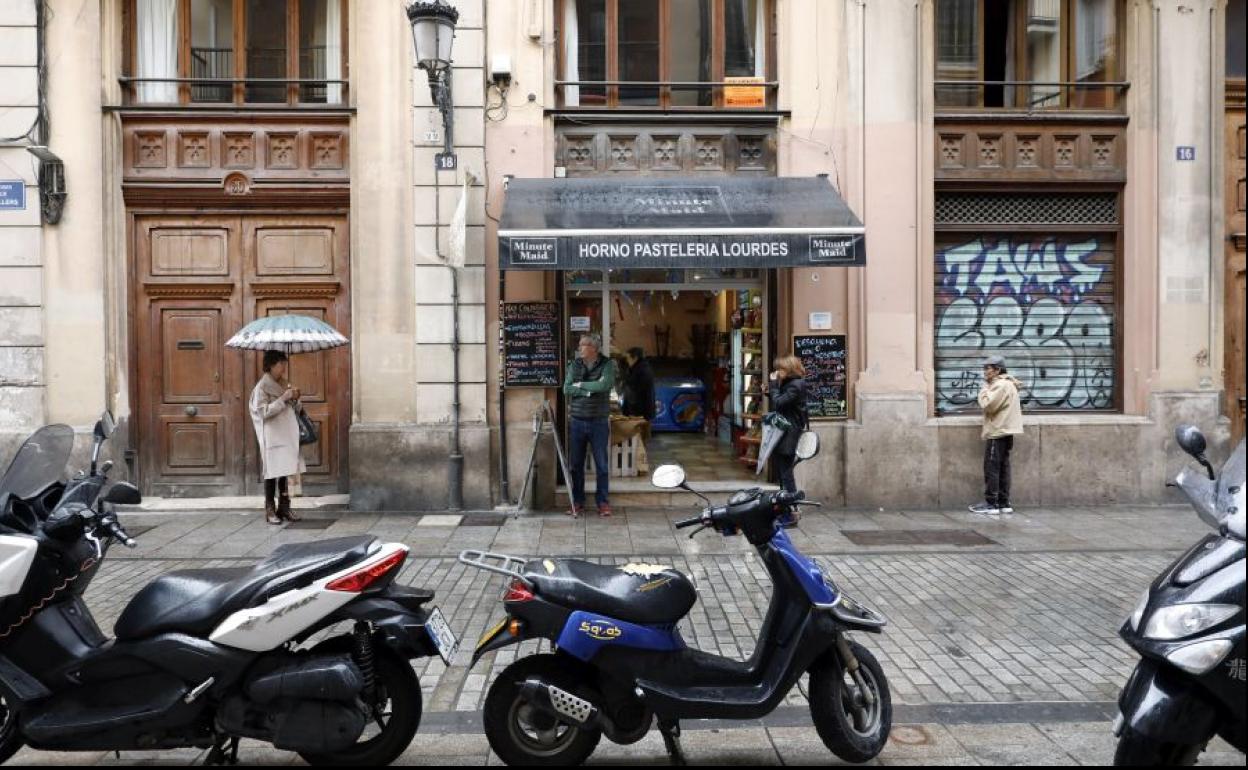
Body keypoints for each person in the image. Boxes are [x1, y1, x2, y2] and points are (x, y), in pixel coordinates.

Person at [250, 350, 306, 525]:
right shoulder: (261, 387)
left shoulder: (283, 383)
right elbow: (263, 412)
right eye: (281, 364)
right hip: (272, 436)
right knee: (271, 472)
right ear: (271, 365)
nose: (284, 368)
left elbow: (295, 409)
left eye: (285, 364)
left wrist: (296, 399)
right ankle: (270, 509)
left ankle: (284, 507)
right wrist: (284, 398)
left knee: (284, 470)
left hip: (286, 434)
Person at [564, 333, 616, 517]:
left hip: (598, 420)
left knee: (601, 465)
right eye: (579, 344)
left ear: (593, 348)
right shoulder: (574, 365)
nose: (579, 348)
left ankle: (603, 502)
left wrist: (581, 385)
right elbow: (567, 388)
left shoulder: (607, 364)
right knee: (576, 465)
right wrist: (588, 390)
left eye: (583, 345)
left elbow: (605, 385)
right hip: (577, 420)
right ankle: (578, 502)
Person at [970, 354, 1024, 516]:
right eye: (984, 368)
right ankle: (1003, 502)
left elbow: (988, 405)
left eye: (988, 368)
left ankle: (991, 503)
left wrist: (984, 389)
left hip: (998, 431)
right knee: (1002, 467)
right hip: (1005, 431)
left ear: (998, 370)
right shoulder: (1007, 384)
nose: (985, 371)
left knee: (992, 468)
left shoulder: (1000, 385)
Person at [767, 355, 809, 495]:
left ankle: (791, 504)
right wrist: (770, 392)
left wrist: (773, 386)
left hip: (789, 432)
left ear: (789, 370)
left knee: (786, 472)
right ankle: (787, 503)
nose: (778, 372)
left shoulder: (795, 386)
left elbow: (779, 402)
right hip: (786, 430)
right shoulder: (791, 383)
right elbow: (784, 401)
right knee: (784, 470)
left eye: (781, 369)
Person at [621, 347, 656, 421]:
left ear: (635, 358)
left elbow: (637, 391)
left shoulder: (642, 370)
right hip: (639, 410)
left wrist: (631, 411)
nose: (627, 361)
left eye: (628, 358)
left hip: (639, 412)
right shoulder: (638, 368)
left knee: (639, 431)